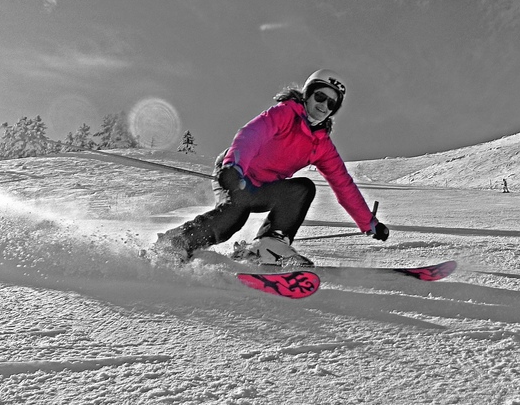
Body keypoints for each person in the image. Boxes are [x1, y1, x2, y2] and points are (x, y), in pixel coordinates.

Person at [155, 69, 389, 265]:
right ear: (307, 95)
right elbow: (252, 135)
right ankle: (175, 246)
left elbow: (343, 184)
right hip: (238, 176)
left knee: (303, 189)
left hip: (266, 188)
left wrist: (369, 223)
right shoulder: (286, 113)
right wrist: (233, 167)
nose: (324, 105)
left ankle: (268, 245)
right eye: (320, 97)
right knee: (233, 216)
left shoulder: (322, 145)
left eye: (331, 103)